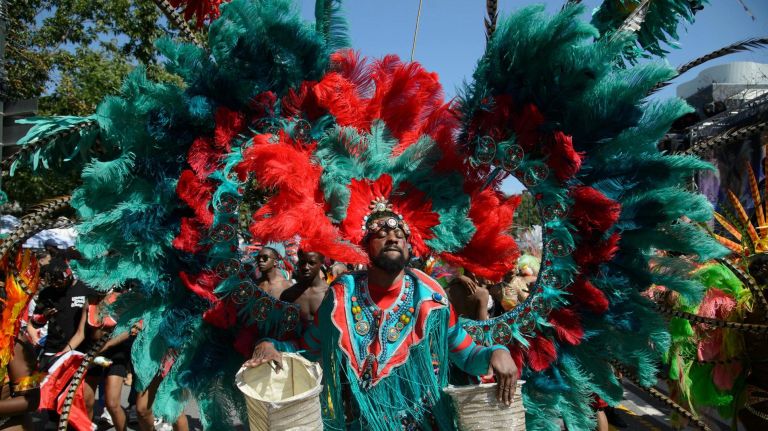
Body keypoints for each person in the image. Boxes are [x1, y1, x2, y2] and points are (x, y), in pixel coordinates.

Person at [246, 209, 518, 430]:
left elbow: (467, 355)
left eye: (400, 234)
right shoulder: (341, 296)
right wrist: (272, 346)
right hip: (361, 422)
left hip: (423, 422)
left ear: (409, 249)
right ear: (365, 246)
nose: (393, 239)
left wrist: (497, 352)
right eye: (382, 234)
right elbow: (310, 349)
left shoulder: (430, 297)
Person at [32, 258, 92, 371]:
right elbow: (35, 322)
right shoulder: (46, 293)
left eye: (59, 282)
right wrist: (44, 316)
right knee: (45, 385)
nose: (55, 286)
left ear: (68, 275)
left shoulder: (85, 289)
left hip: (80, 348)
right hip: (52, 349)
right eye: (52, 283)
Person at [279, 250, 328, 321]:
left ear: (321, 263)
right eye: (302, 262)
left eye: (311, 263)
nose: (306, 267)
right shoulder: (288, 294)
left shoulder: (329, 293)